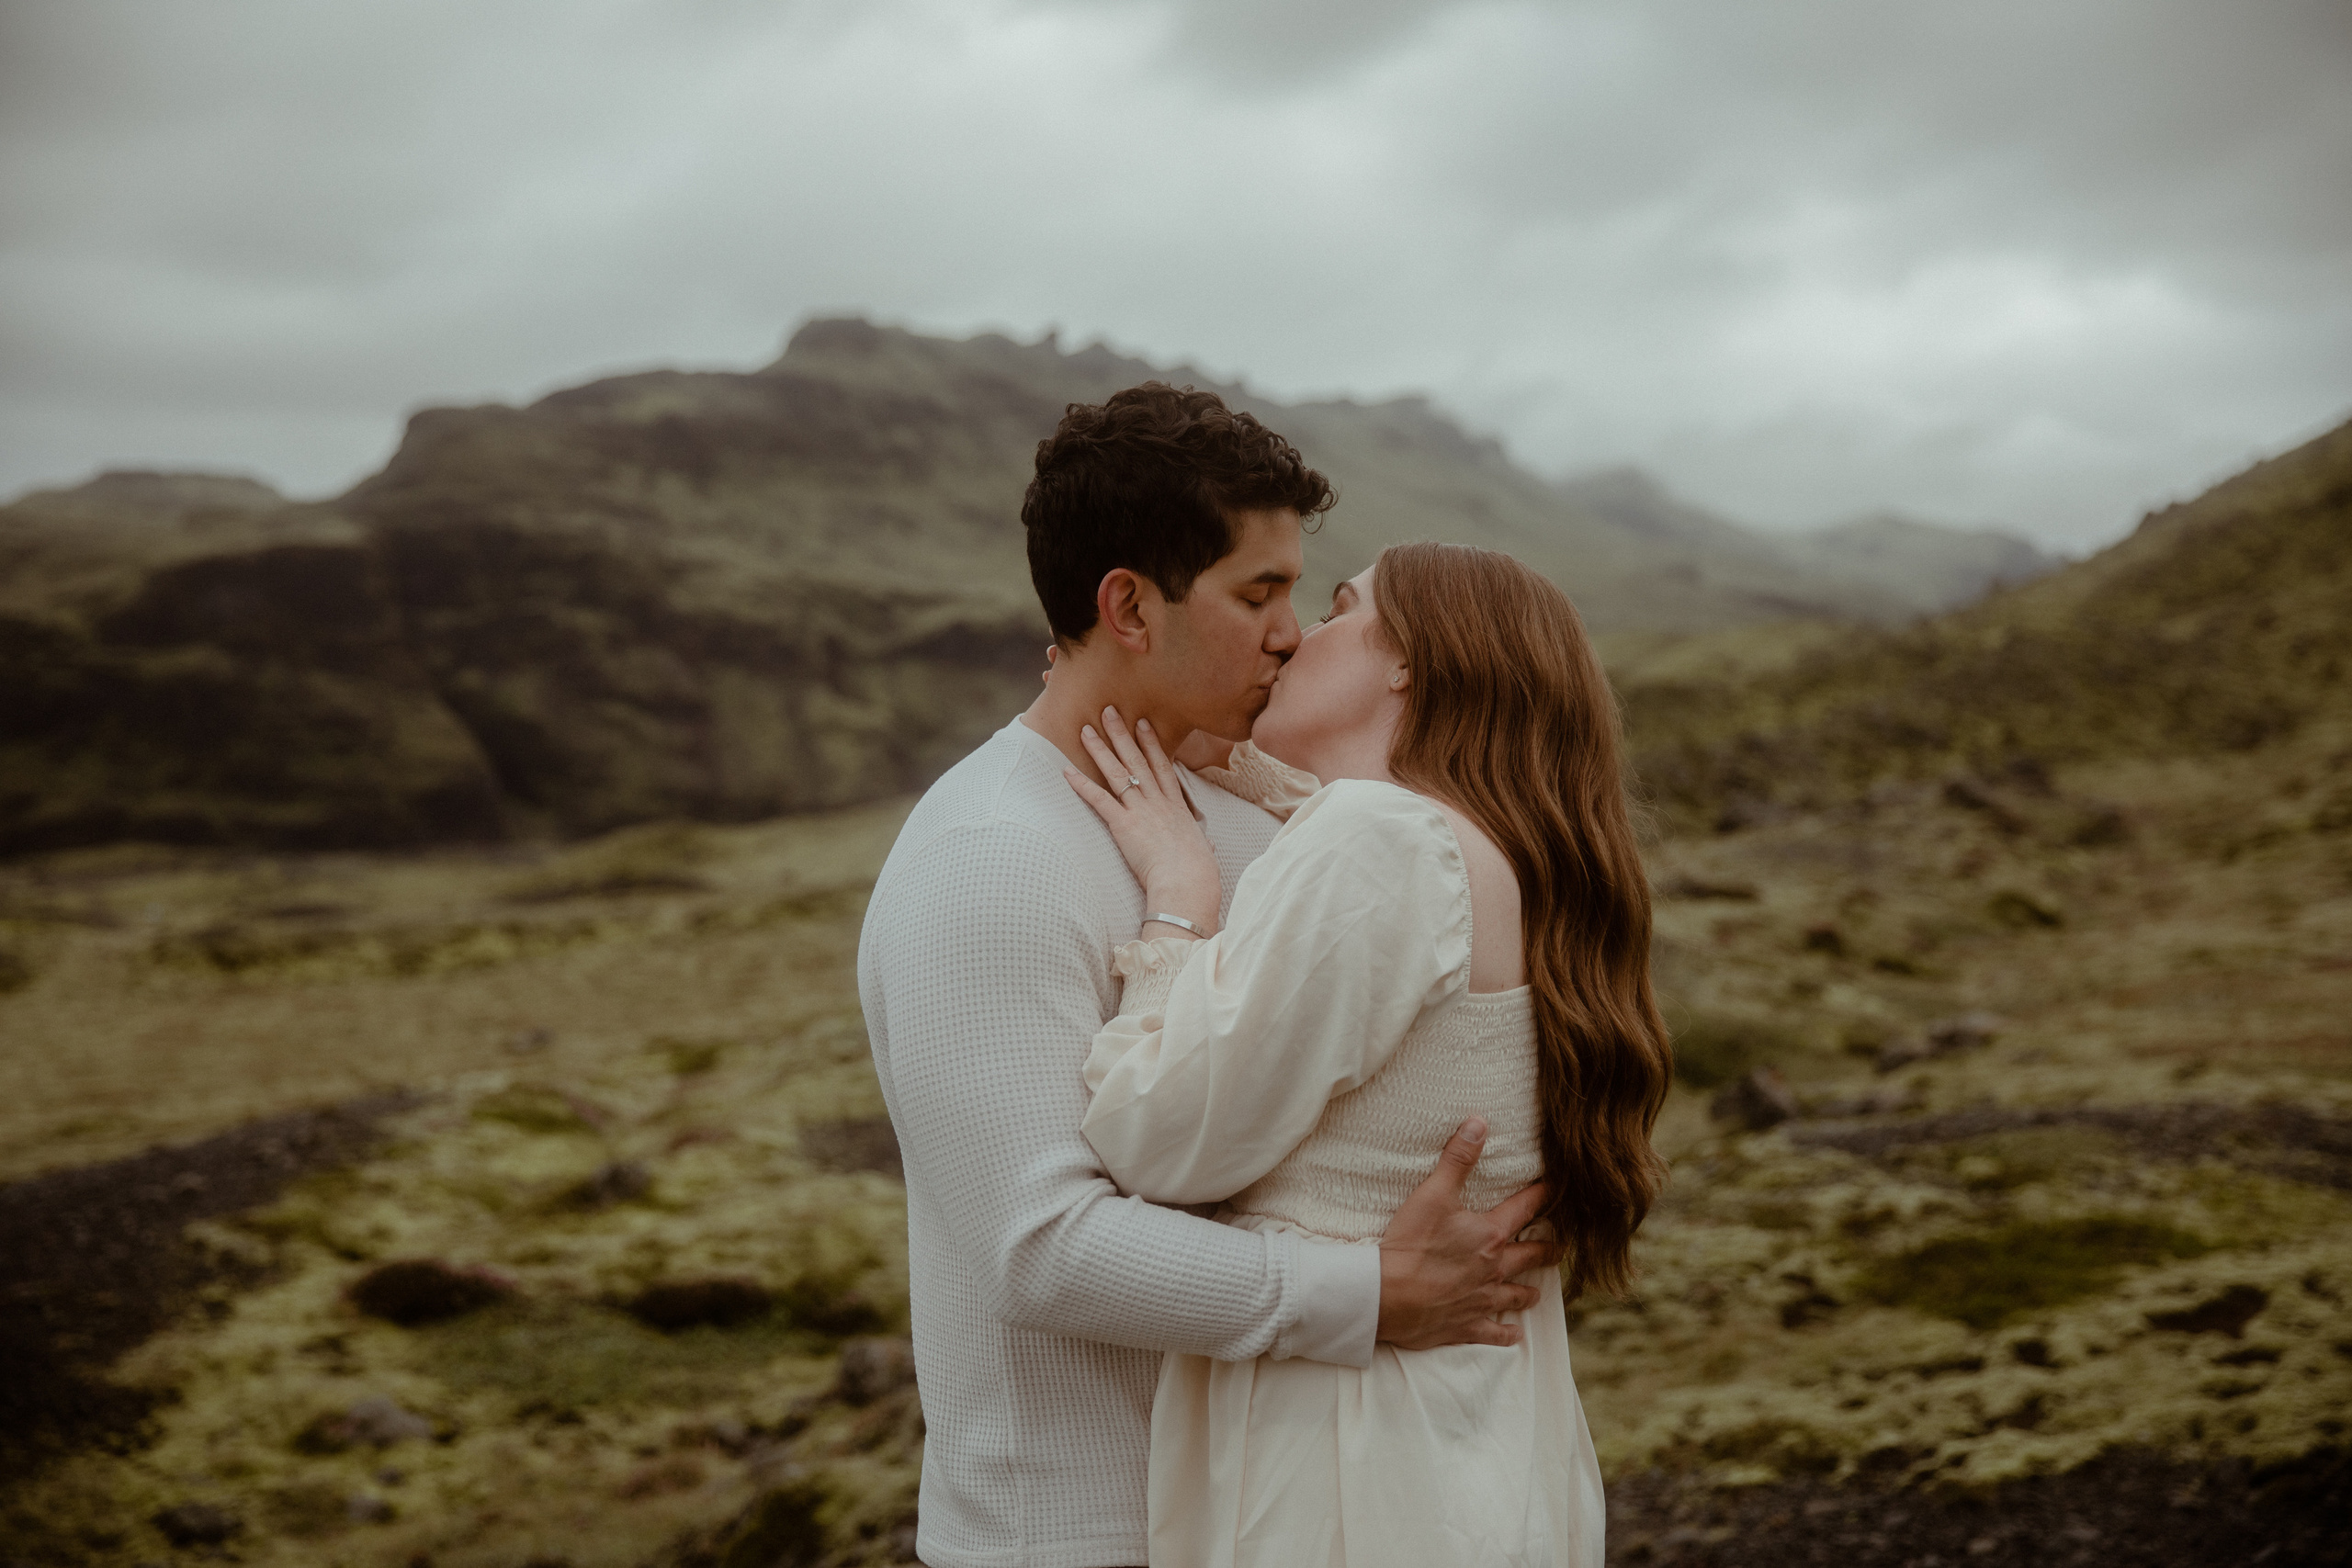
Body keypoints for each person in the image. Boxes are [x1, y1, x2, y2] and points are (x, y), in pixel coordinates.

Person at [857, 387, 1559, 1568]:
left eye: (1301, 592)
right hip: (1087, 1533)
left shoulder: (1264, 816)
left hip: (1287, 1513)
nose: (1290, 632)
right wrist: (1371, 1296)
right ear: (1128, 606)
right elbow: (1041, 1248)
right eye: (1257, 593)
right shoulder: (989, 861)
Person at [1061, 541, 1673, 1567]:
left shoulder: (1380, 841)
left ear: (1411, 663)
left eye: (1343, 607)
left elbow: (1155, 1143)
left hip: (1340, 1460)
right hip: (1469, 1445)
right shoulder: (1503, 853)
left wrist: (1178, 904)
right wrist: (1240, 765)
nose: (1300, 633)